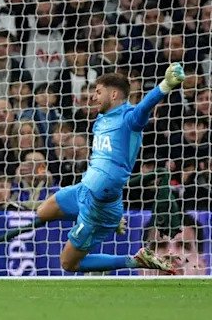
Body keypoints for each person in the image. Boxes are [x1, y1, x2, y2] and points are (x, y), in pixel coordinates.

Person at [35, 68, 184, 275]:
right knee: (43, 213)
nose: (93, 96)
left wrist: (164, 86)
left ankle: (134, 259)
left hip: (98, 207)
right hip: (83, 190)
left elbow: (144, 108)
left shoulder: (129, 119)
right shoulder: (101, 119)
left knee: (69, 264)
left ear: (113, 94)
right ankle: (112, 222)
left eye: (98, 92)